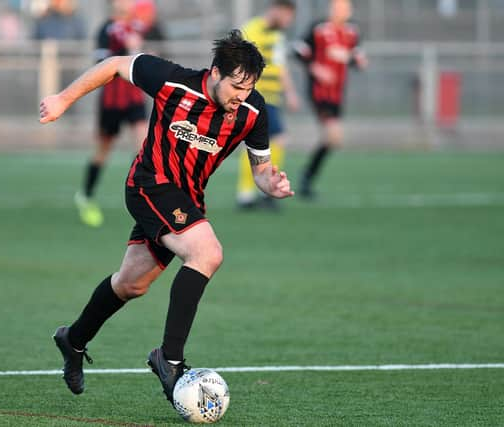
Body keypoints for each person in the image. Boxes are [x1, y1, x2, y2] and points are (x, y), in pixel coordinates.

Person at [39, 30, 294, 404]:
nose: (242, 95)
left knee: (130, 285)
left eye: (249, 87)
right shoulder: (173, 80)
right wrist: (62, 99)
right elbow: (113, 65)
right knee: (207, 253)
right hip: (149, 184)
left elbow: (261, 169)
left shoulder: (253, 111)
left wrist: (270, 184)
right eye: (236, 86)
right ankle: (169, 359)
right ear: (215, 73)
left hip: (187, 199)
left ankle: (73, 339)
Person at [74, 0, 162, 227]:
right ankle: (86, 194)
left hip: (134, 97)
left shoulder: (139, 26)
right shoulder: (107, 29)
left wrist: (147, 52)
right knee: (103, 150)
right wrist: (127, 51)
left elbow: (153, 53)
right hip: (112, 99)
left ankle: (138, 195)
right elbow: (100, 63)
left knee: (144, 145)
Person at [293, 0, 368, 199]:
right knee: (333, 136)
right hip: (319, 92)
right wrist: (315, 67)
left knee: (333, 140)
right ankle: (307, 178)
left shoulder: (352, 32)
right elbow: (298, 50)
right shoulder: (319, 29)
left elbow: (358, 59)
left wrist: (354, 60)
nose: (340, 11)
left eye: (344, 7)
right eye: (337, 7)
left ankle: (307, 176)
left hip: (337, 94)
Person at [236, 0, 300, 210]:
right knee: (276, 140)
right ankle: (260, 192)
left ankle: (248, 194)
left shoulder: (277, 36)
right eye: (287, 15)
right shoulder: (251, 29)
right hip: (256, 97)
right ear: (276, 10)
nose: (288, 21)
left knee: (261, 144)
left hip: (271, 99)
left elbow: (280, 67)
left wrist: (290, 93)